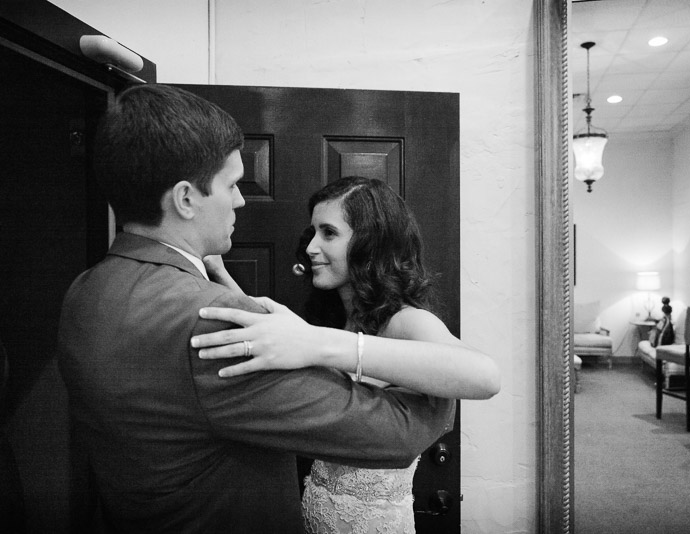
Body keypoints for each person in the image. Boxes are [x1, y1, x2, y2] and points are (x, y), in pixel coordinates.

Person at [57, 84, 465, 533]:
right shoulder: (213, 320)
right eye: (231, 184)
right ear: (185, 199)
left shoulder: (86, 290)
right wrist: (445, 382)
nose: (240, 199)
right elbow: (399, 431)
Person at [191, 176, 501, 533]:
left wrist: (318, 344)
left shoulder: (406, 321)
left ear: (371, 245)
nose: (310, 247)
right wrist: (218, 271)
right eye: (313, 232)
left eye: (329, 233)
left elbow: (485, 377)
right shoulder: (337, 319)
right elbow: (268, 337)